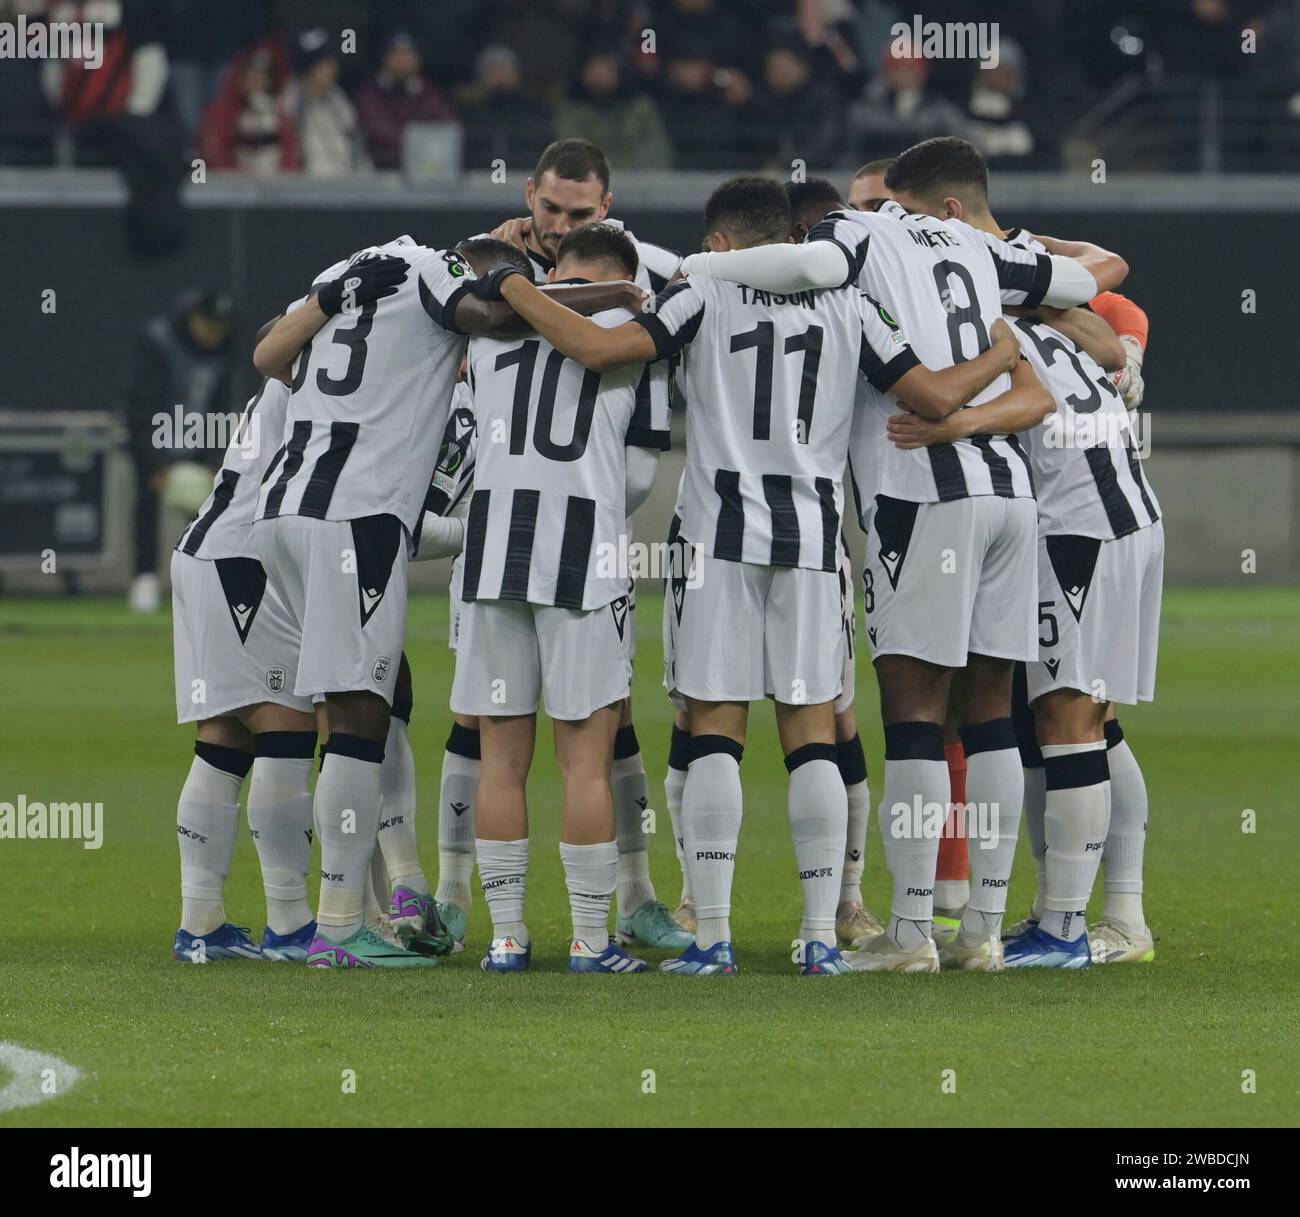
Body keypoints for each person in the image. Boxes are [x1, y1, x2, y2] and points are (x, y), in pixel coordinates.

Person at [489, 176, 1031, 977]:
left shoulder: (699, 293)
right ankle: (819, 936)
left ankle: (714, 936)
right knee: (812, 731)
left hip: (716, 535)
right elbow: (935, 396)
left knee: (715, 728)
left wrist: (509, 284)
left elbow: (600, 349)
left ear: (719, 242)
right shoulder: (851, 301)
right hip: (813, 540)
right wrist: (1002, 351)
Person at [674, 141, 1120, 971]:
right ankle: (982, 930)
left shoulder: (858, 237)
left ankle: (913, 931)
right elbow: (1093, 281)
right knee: (991, 715)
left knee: (916, 713)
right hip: (1010, 496)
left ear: (890, 199)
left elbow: (806, 262)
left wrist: (698, 270)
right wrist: (1016, 335)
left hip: (924, 495)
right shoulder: (979, 247)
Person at [465, 138, 692, 952]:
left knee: (500, 756)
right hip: (583, 551)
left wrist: (512, 281)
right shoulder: (631, 334)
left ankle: (505, 937)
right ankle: (594, 940)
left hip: (491, 547)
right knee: (587, 757)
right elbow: (635, 473)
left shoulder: (486, 332)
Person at [125, 289, 237, 613]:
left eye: (221, 329)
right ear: (193, 318)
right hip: (154, 437)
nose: (214, 335)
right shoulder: (157, 341)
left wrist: (215, 461)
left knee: (206, 513)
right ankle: (145, 579)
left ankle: (203, 580)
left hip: (197, 442)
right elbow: (140, 405)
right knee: (147, 505)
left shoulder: (223, 351)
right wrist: (155, 464)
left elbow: (221, 406)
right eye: (209, 326)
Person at [553, 50, 672, 170]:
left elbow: (656, 149)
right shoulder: (570, 111)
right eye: (594, 69)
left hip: (638, 180)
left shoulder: (640, 108)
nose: (600, 76)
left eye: (606, 69)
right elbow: (570, 152)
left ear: (619, 72)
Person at [354, 31, 456, 171]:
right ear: (385, 59)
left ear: (419, 60)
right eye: (396, 54)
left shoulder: (431, 94)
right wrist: (419, 142)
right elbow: (380, 133)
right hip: (380, 174)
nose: (402, 60)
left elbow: (448, 131)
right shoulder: (370, 94)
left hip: (427, 172)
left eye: (408, 54)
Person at [282, 28, 369, 177]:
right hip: (304, 192)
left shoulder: (339, 101)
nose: (332, 70)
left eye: (332, 64)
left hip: (344, 189)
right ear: (308, 69)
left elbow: (357, 151)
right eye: (324, 65)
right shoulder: (290, 103)